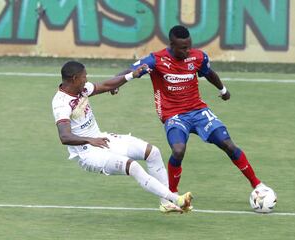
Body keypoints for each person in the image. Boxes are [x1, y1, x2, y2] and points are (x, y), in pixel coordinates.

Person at [122, 25, 270, 195]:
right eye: (183, 48)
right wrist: (117, 83)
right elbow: (131, 69)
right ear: (172, 44)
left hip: (198, 111)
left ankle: (257, 184)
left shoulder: (198, 57)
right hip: (174, 115)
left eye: (189, 46)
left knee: (228, 144)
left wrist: (223, 90)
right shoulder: (156, 60)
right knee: (178, 150)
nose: (187, 51)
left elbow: (209, 73)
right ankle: (172, 194)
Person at [51, 60, 193, 213]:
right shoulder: (61, 103)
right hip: (87, 153)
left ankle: (166, 203)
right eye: (84, 76)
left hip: (101, 139)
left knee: (153, 152)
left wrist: (132, 75)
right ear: (74, 78)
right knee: (132, 166)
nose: (86, 79)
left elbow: (106, 85)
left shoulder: (82, 89)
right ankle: (176, 199)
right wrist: (90, 140)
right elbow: (64, 136)